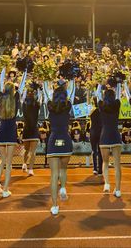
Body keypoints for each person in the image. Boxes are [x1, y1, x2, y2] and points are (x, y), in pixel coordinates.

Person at [44, 80, 74, 215]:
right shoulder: (68, 105)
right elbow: (71, 92)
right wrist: (70, 79)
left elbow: (46, 92)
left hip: (53, 140)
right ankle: (63, 188)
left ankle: (55, 206)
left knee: (53, 174)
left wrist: (45, 78)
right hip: (66, 140)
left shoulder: (50, 106)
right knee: (63, 169)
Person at [0, 82, 20, 197]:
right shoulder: (15, 100)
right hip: (11, 133)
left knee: (2, 161)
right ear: (13, 90)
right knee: (8, 164)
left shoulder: (1, 99)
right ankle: (5, 190)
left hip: (0, 132)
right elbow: (20, 88)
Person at [97, 81, 122, 197]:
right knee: (117, 165)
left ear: (104, 96)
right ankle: (118, 189)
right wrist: (119, 83)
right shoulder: (117, 104)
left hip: (105, 135)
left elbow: (97, 95)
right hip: (115, 135)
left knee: (105, 162)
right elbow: (119, 94)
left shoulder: (101, 105)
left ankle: (107, 184)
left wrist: (99, 84)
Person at [22, 86, 40, 175]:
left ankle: (25, 164)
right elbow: (40, 99)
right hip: (33, 130)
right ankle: (30, 169)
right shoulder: (36, 104)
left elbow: (22, 98)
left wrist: (25, 90)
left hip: (27, 130)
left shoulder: (24, 105)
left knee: (26, 150)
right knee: (32, 151)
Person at [90, 97, 103, 175]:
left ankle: (95, 168)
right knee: (100, 151)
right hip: (100, 131)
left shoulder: (92, 110)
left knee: (94, 150)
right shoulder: (102, 110)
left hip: (93, 131)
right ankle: (100, 169)